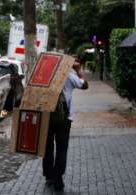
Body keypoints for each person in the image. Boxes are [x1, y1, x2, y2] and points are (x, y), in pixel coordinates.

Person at [42, 56, 89, 191]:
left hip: (46, 115)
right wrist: (78, 70)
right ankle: (58, 178)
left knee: (47, 147)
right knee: (62, 148)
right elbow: (85, 85)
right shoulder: (68, 75)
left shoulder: (45, 74)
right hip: (64, 118)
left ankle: (49, 175)